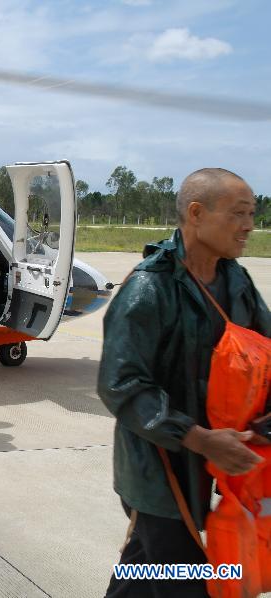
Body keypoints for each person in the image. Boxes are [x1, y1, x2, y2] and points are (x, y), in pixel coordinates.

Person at [99, 168, 270, 597]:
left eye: (252, 214)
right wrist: (198, 438)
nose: (250, 225)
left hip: (219, 458)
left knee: (147, 568)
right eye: (238, 214)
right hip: (159, 469)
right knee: (186, 576)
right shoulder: (149, 289)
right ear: (196, 213)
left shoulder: (236, 280)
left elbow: (266, 354)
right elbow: (121, 384)